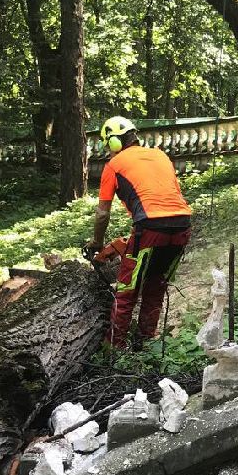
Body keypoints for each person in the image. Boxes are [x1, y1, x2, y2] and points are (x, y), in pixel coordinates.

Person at [86, 116, 192, 348]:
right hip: (182, 226)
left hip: (150, 228)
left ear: (113, 143)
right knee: (156, 285)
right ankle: (146, 341)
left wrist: (96, 242)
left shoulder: (113, 166)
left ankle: (115, 348)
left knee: (126, 290)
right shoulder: (160, 155)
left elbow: (102, 214)